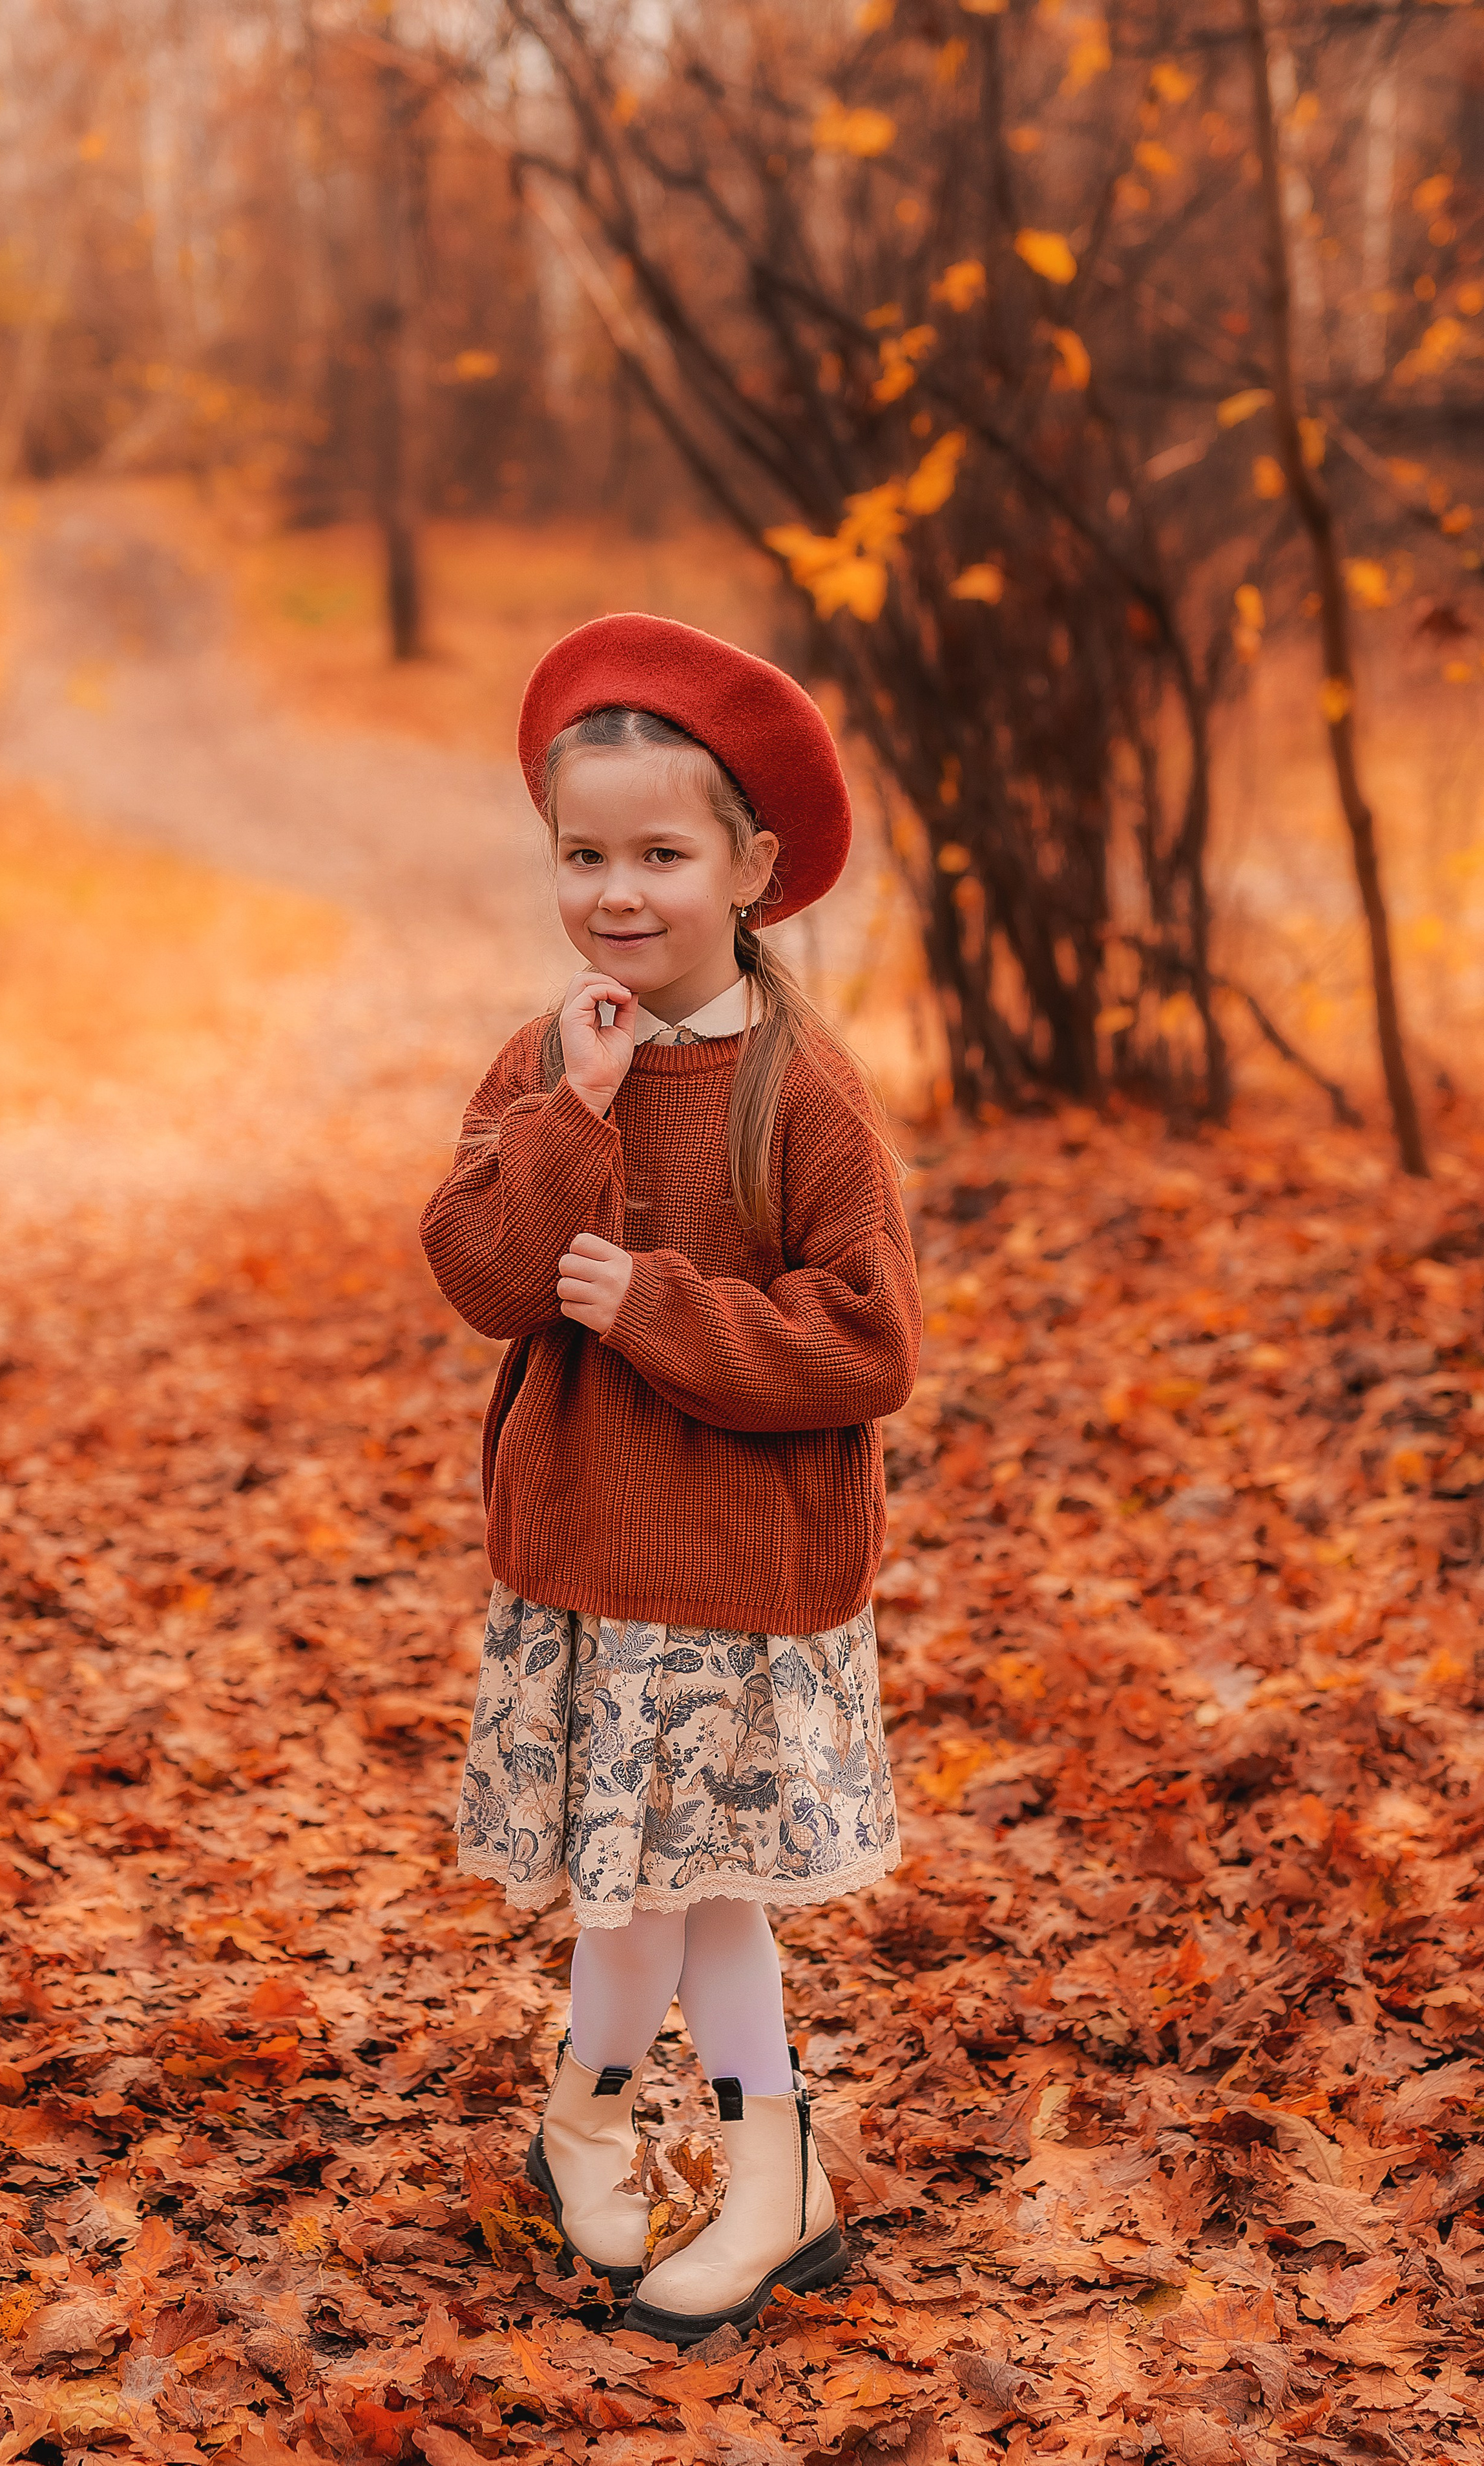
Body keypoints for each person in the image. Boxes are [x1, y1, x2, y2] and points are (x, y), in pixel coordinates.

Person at [419, 612, 921, 2343]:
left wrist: (657, 1305)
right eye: (583, 852)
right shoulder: (549, 1058)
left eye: (660, 850)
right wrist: (575, 1110)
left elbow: (869, 1342)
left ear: (751, 864)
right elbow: (481, 1271)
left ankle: (725, 2159)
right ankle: (650, 2141)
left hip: (739, 1577)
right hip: (588, 1564)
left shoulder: (808, 1093)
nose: (617, 890)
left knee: (685, 1887)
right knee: (648, 1882)